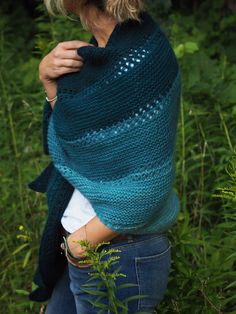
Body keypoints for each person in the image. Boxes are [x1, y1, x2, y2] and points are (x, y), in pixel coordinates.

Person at [28, 0, 182, 313]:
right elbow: (80, 141)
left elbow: (148, 187)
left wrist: (80, 244)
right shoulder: (100, 56)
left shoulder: (143, 61)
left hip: (120, 248)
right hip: (86, 242)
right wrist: (48, 80)